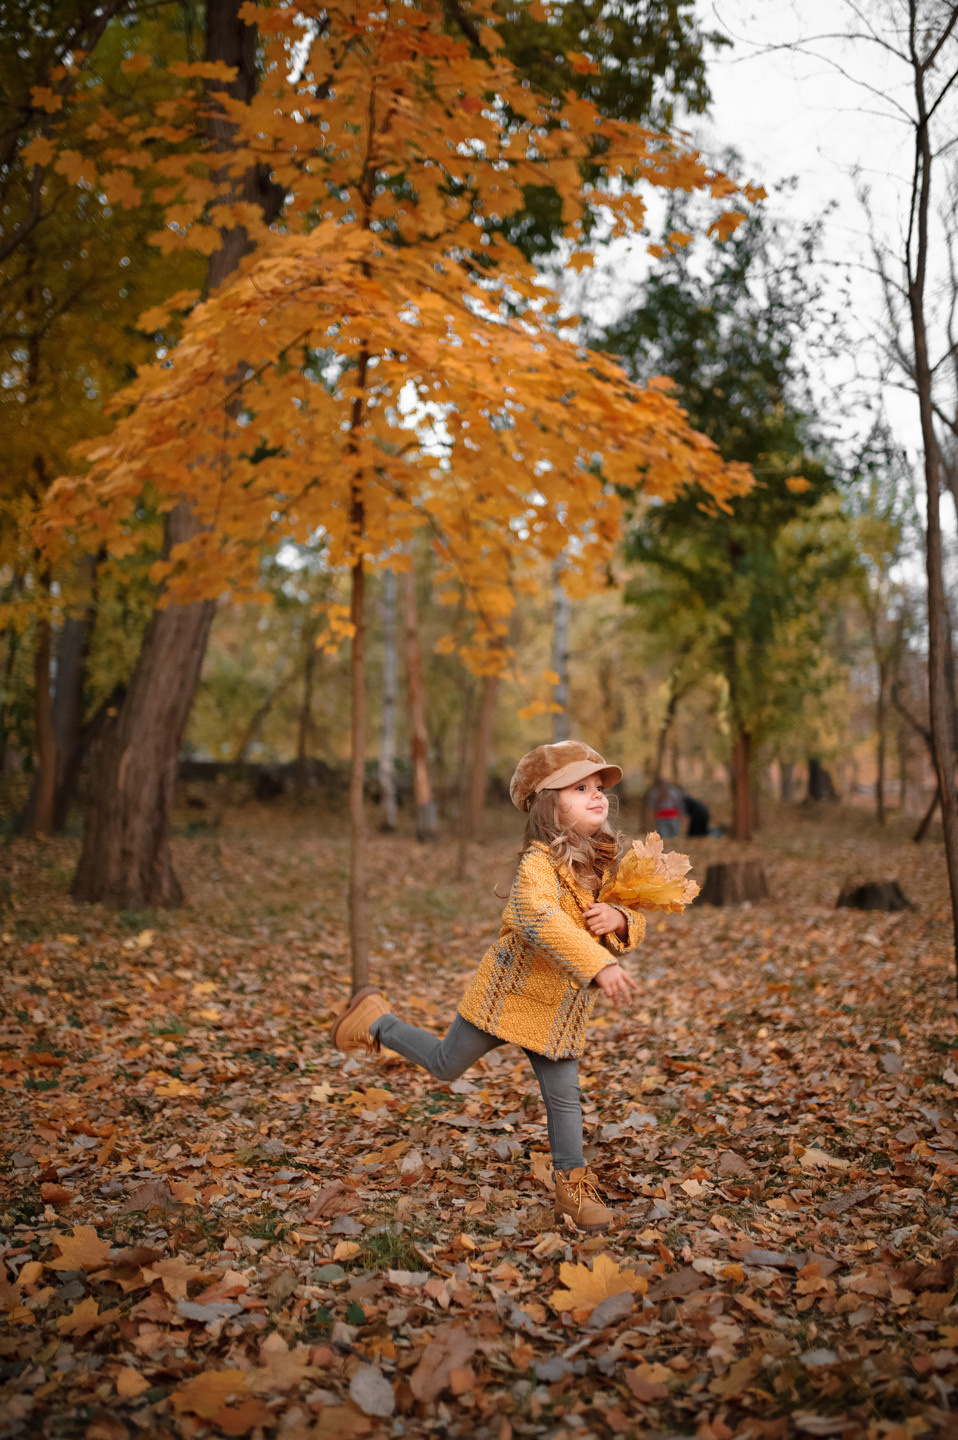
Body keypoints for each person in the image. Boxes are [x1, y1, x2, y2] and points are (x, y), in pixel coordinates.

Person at [331, 740, 644, 1232]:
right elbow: (540, 920)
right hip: (508, 998)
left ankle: (572, 1187)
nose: (597, 795)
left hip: (558, 1011)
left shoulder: (603, 866)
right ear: (549, 803)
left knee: (565, 1097)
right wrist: (597, 964)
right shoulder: (537, 865)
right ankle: (377, 1020)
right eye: (580, 787)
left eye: (599, 788)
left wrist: (621, 919)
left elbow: (638, 913)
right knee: (444, 1064)